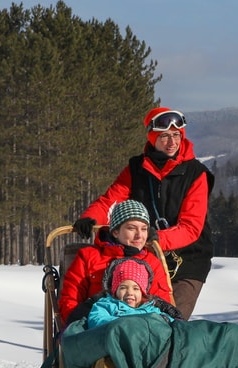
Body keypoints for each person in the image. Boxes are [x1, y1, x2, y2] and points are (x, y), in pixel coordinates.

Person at [73, 107, 214, 318]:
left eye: (176, 135)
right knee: (132, 314)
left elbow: (191, 228)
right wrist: (90, 217)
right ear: (152, 137)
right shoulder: (137, 168)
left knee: (172, 319)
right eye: (165, 136)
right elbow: (110, 200)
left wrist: (156, 237)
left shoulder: (196, 174)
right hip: (145, 255)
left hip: (188, 259)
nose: (172, 142)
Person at [58, 199, 173, 327]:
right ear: (115, 231)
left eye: (144, 229)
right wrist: (80, 327)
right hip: (96, 329)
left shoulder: (151, 262)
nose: (139, 235)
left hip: (141, 330)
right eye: (131, 228)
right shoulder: (88, 257)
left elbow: (161, 303)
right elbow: (70, 301)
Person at [86, 258, 175, 329]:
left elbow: (171, 323)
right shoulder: (106, 305)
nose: (130, 293)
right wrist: (122, 324)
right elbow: (96, 320)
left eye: (136, 288)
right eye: (123, 288)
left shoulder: (150, 308)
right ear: (115, 291)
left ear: (142, 293)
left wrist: (166, 320)